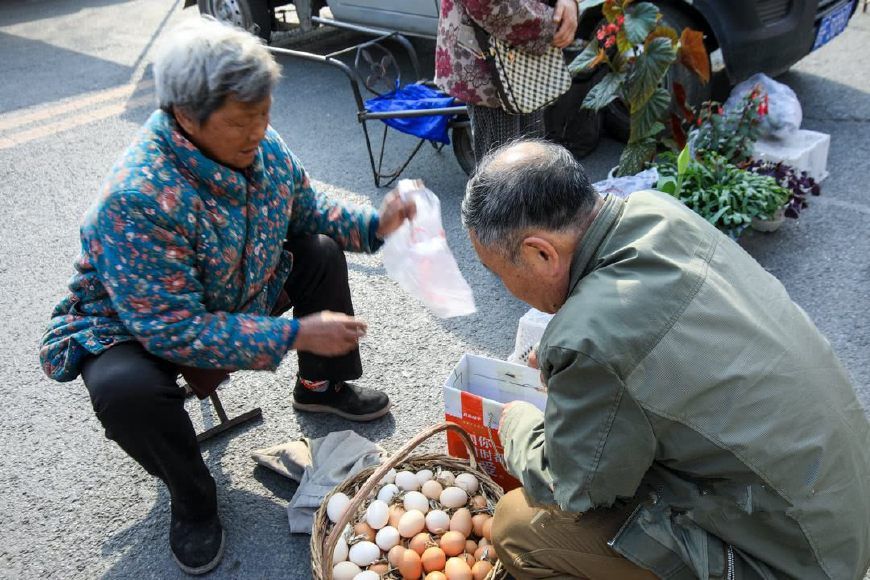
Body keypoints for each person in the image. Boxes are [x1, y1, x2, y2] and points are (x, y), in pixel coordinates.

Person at [38, 18, 415, 575]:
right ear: (186, 118)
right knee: (125, 390)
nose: (260, 130)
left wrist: (375, 223)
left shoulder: (261, 143)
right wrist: (293, 333)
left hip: (232, 285)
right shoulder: (138, 197)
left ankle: (322, 386)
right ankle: (192, 496)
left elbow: (306, 211)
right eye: (243, 119)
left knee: (318, 249)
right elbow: (176, 329)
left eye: (265, 112)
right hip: (135, 327)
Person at [462, 140, 870, 579]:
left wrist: (516, 424)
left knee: (519, 527)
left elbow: (572, 488)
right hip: (845, 510)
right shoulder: (656, 212)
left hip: (798, 562)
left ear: (541, 253)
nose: (505, 287)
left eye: (499, 273)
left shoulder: (590, 337)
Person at [435, 0, 579, 163]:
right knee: (504, 172)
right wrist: (553, 20)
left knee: (530, 162)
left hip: (521, 51)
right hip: (489, 66)